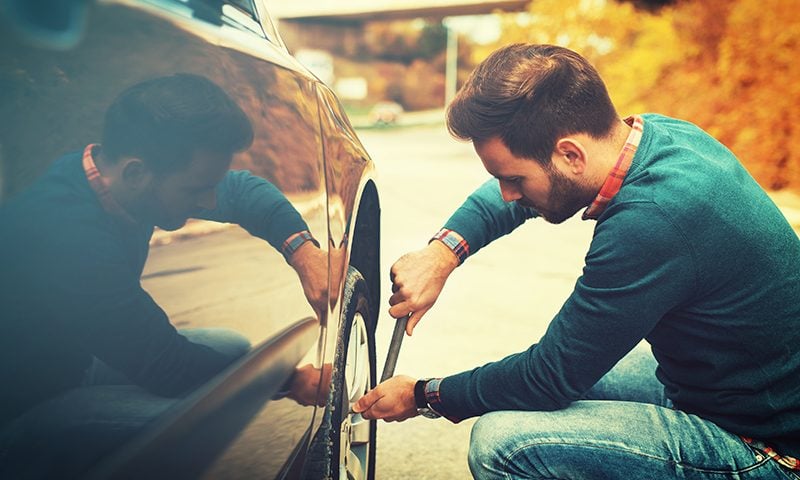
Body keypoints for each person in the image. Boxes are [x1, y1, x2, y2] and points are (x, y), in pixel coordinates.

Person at [353, 44, 800, 479]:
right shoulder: (661, 137)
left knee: (504, 444)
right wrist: (441, 254)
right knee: (562, 383)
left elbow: (548, 376)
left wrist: (423, 395)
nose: (508, 194)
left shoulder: (650, 221)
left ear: (570, 154)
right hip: (738, 388)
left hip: (769, 445)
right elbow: (512, 197)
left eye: (513, 179)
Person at [0, 73, 327, 478]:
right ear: (137, 173)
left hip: (75, 359)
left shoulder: (110, 176)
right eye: (195, 190)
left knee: (232, 347)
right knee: (199, 417)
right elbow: (166, 366)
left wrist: (305, 255)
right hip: (24, 405)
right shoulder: (68, 236)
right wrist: (287, 381)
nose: (208, 202)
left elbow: (241, 192)